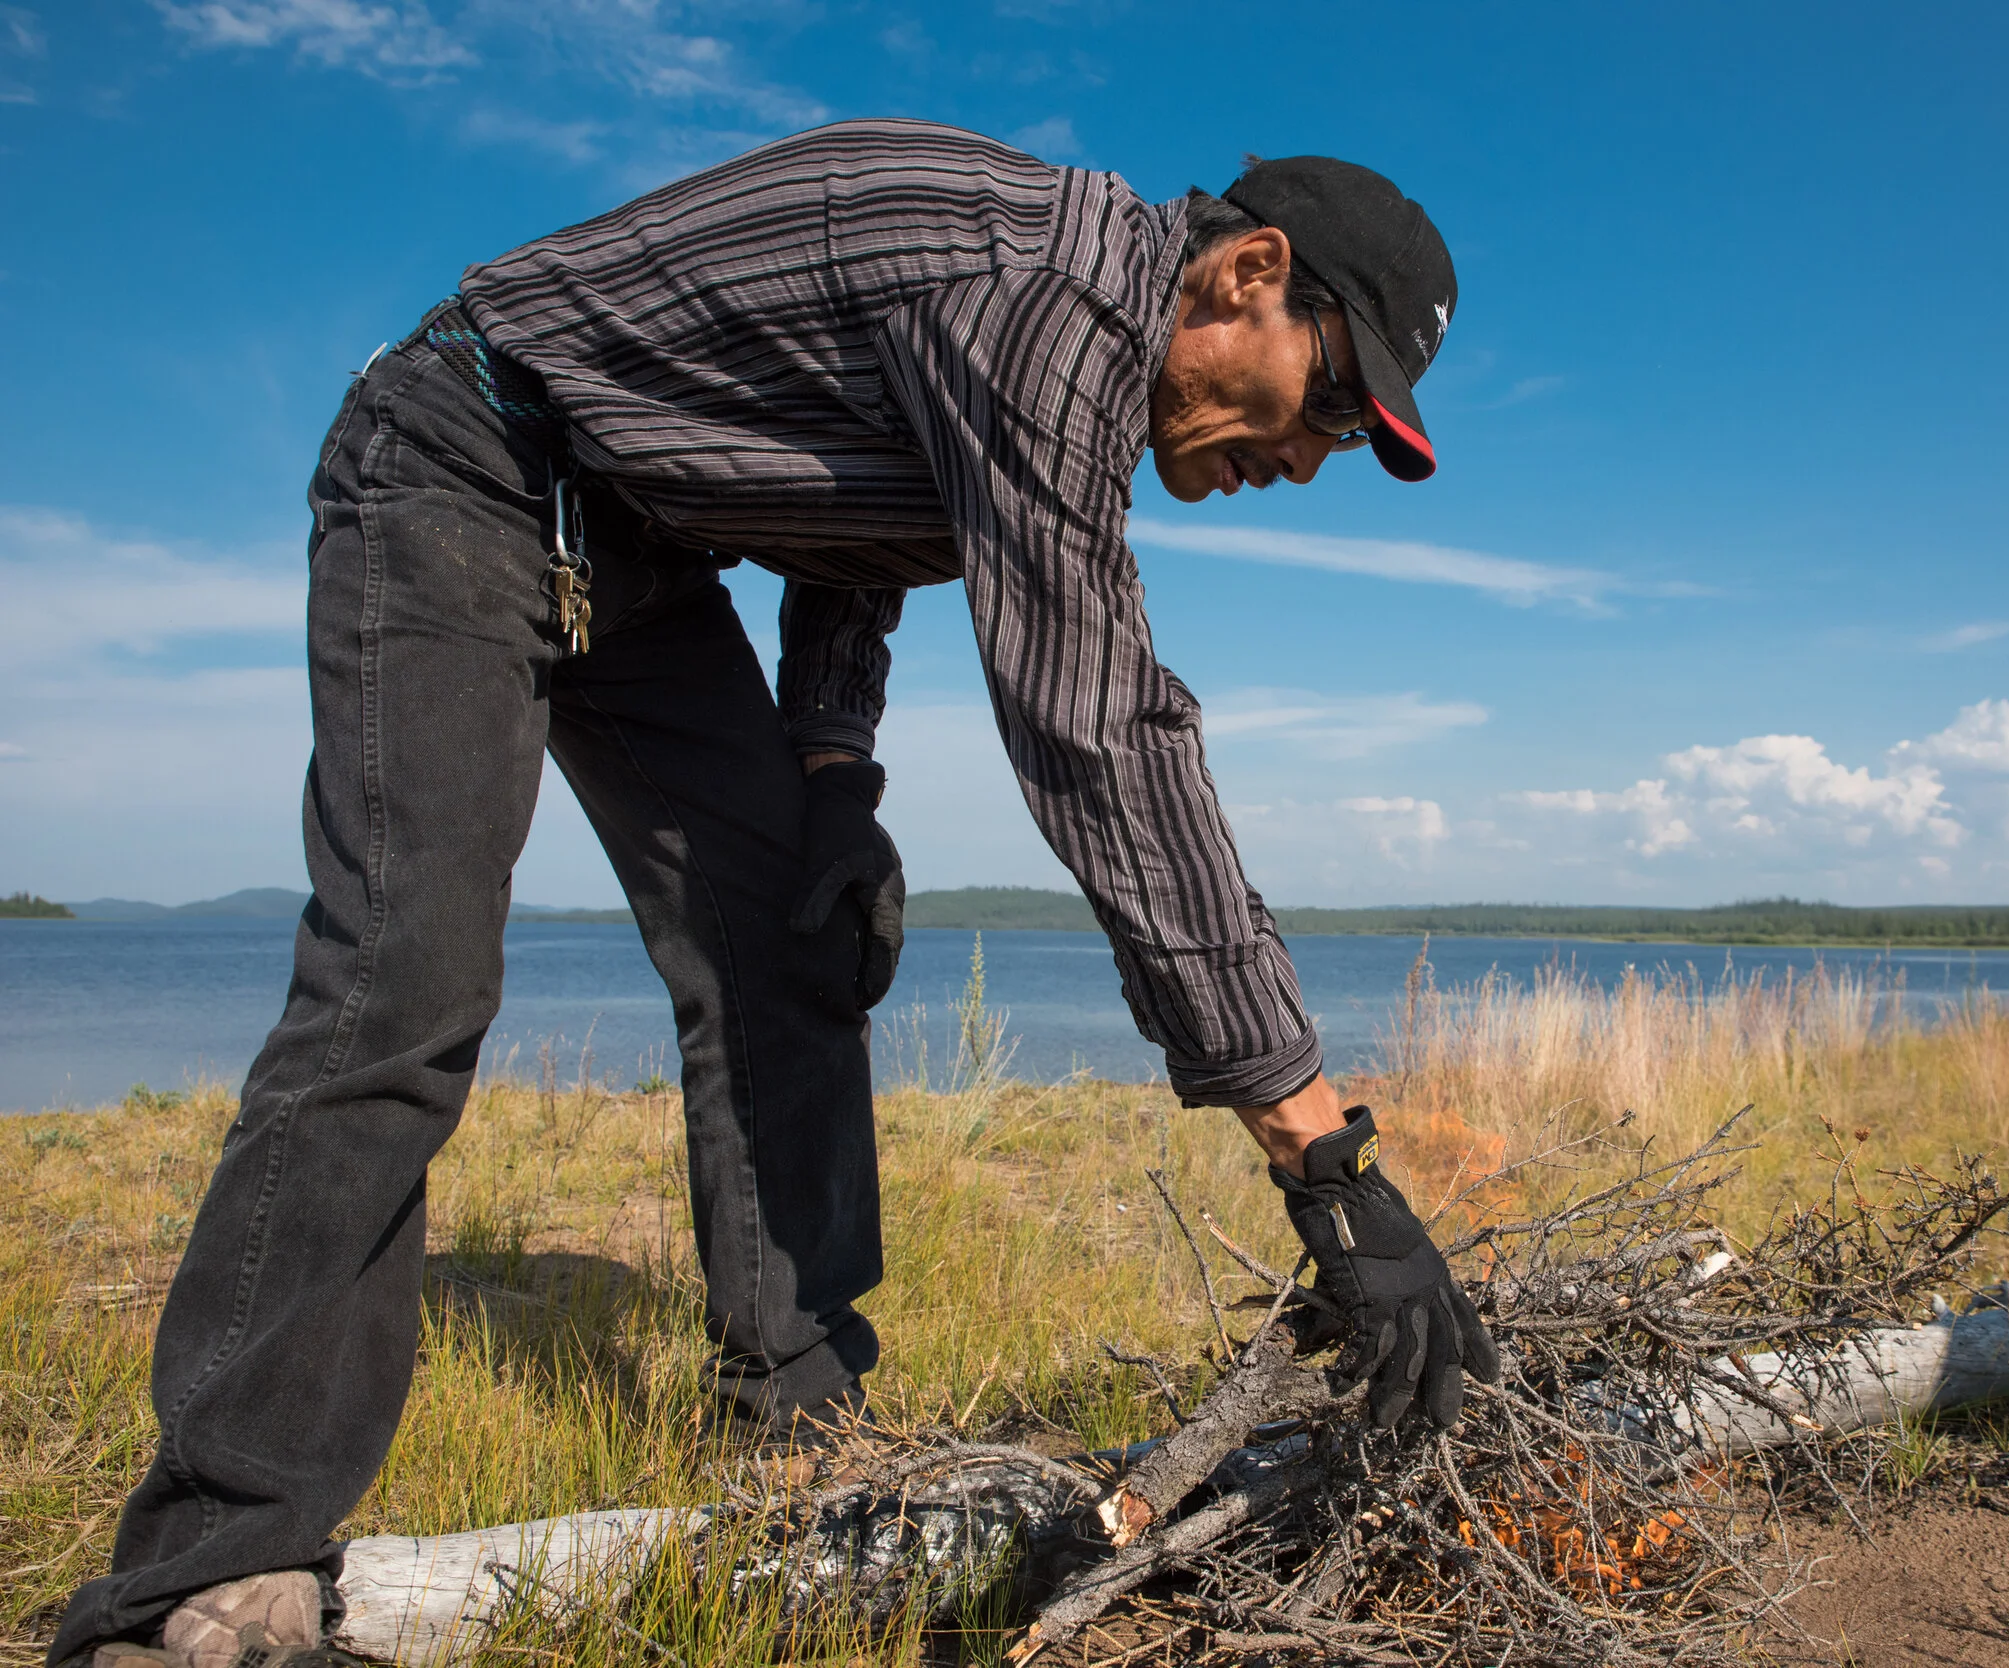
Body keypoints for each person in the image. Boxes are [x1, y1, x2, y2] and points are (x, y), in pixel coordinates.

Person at [54, 119, 1496, 1668]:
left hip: (637, 551)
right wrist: (1319, 1155)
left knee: (790, 953)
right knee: (401, 984)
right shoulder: (1046, 305)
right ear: (1248, 272)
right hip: (464, 460)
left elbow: (855, 516)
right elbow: (1098, 733)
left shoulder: (1056, 343)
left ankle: (798, 1443)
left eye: (1346, 444)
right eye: (1332, 402)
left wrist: (829, 783)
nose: (1302, 460)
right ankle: (199, 1579)